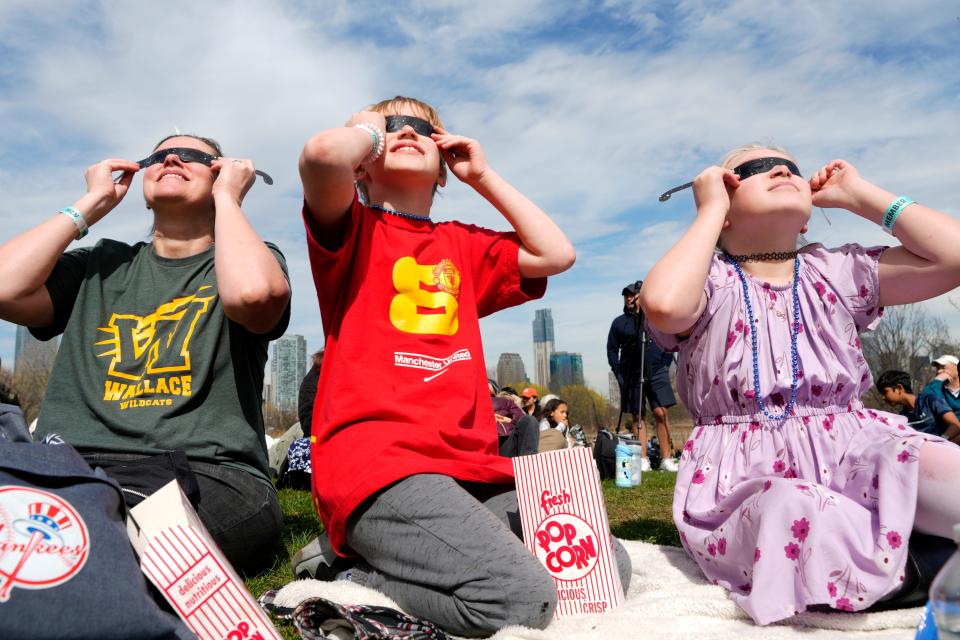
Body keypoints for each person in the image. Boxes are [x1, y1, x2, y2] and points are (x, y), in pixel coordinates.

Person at [298, 95, 628, 636]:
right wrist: (368, 131)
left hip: (473, 468)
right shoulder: (349, 231)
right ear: (362, 159)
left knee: (599, 572)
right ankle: (351, 577)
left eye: (422, 130)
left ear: (445, 161)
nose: (404, 133)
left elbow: (556, 254)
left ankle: (399, 562)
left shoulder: (461, 244)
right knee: (520, 600)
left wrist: (482, 175)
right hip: (381, 467)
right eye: (390, 128)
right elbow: (320, 155)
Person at [640, 144, 960, 624]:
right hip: (744, 472)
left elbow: (952, 257)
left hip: (856, 445)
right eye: (750, 170)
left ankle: (891, 555)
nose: (779, 171)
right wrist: (709, 213)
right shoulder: (708, 280)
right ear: (724, 207)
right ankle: (921, 566)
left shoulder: (835, 272)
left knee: (935, 466)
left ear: (808, 217)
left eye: (789, 167)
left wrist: (861, 196)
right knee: (790, 511)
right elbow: (664, 306)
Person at [0, 135, 291, 574]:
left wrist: (229, 199)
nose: (171, 158)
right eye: (157, 157)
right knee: (77, 531)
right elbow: (5, 288)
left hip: (206, 473)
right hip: (73, 465)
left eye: (192, 156)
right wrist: (91, 203)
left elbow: (252, 296)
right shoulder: (99, 265)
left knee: (79, 539)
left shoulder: (254, 259)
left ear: (222, 171)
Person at [607, 280, 679, 471]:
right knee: (638, 416)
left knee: (660, 412)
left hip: (656, 371)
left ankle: (666, 459)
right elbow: (612, 350)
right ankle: (643, 460)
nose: (629, 298)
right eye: (626, 295)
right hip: (632, 374)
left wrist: (664, 364)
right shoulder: (619, 323)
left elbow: (669, 339)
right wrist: (619, 374)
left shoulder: (654, 319)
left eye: (633, 295)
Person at [876, 369, 960, 441]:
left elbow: (956, 425)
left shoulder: (929, 400)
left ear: (899, 388)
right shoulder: (903, 418)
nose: (883, 397)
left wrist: (940, 440)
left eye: (885, 392)